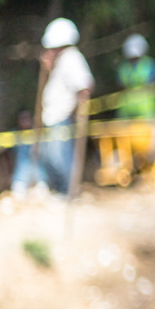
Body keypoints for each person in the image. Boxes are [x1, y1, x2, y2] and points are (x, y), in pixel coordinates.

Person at [37, 18, 94, 194]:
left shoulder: (71, 58)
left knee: (59, 157)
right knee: (48, 156)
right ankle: (60, 190)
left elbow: (84, 85)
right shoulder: (61, 60)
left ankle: (68, 192)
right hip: (53, 117)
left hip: (62, 117)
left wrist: (81, 107)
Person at [117, 34, 155, 120]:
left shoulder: (149, 64)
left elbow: (153, 84)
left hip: (147, 111)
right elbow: (120, 85)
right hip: (127, 110)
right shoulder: (123, 67)